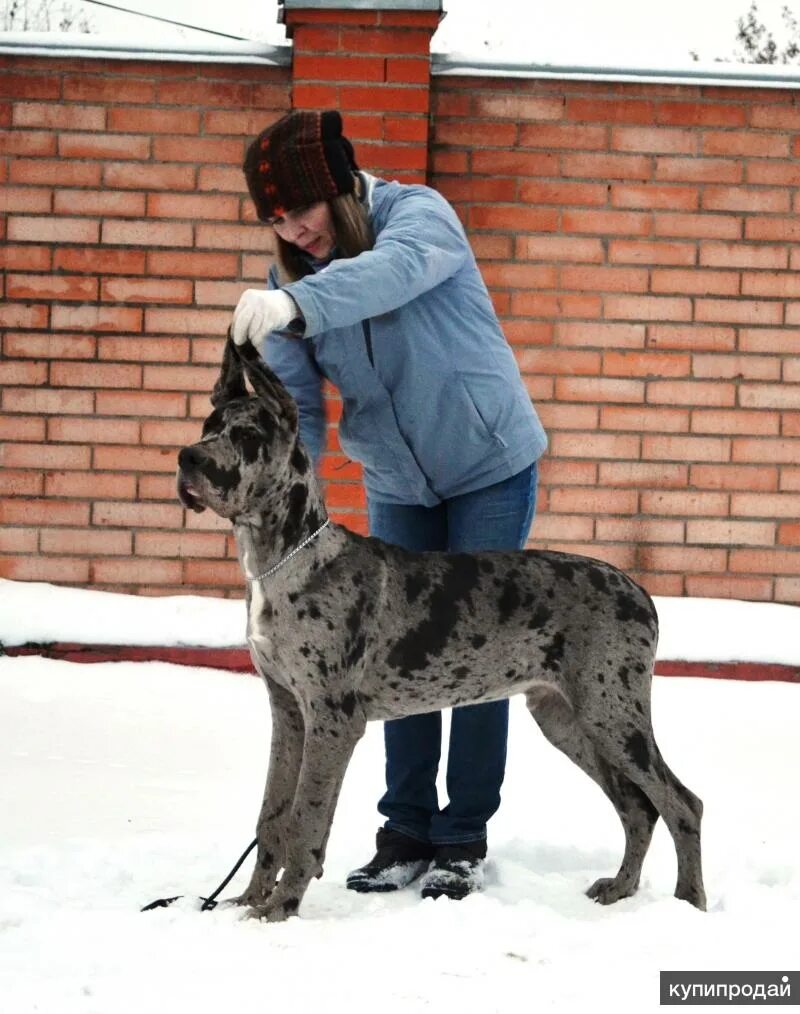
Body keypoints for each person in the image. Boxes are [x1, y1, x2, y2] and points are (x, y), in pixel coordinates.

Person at [232, 109, 548, 902]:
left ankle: (462, 838)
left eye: (299, 208)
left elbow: (391, 274)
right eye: (274, 217)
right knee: (390, 652)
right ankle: (404, 829)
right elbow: (300, 409)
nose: (291, 228)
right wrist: (272, 477)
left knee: (483, 648)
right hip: (398, 482)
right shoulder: (292, 287)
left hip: (487, 465)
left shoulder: (419, 216)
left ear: (336, 189)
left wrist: (297, 306)